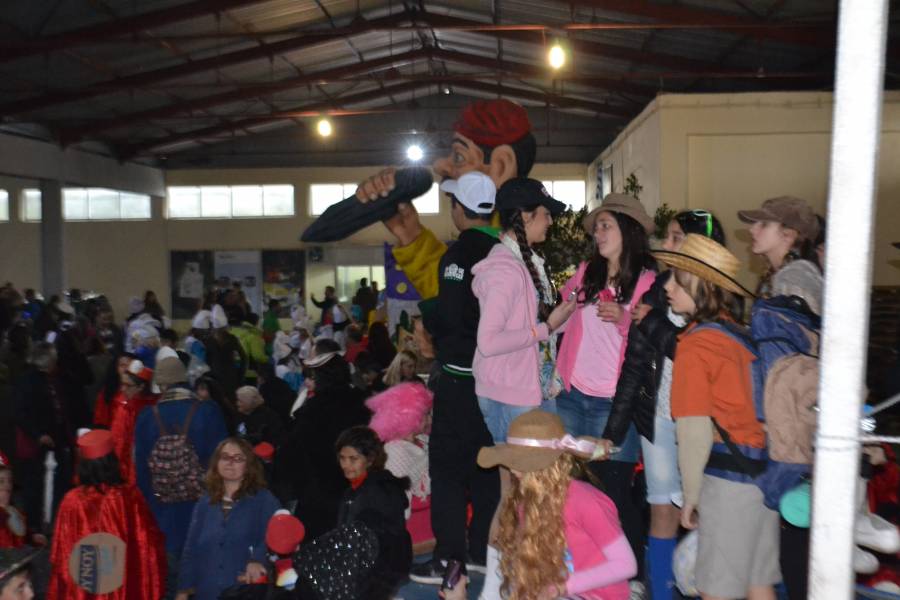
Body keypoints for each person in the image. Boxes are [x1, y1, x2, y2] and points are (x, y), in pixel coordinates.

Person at [601, 209, 727, 600]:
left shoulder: (718, 299)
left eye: (676, 237)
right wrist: (612, 435)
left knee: (708, 511)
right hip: (657, 417)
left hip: (704, 423)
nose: (666, 245)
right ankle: (662, 592)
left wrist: (654, 323)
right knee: (661, 508)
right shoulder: (657, 293)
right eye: (668, 236)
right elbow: (634, 368)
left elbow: (695, 354)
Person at [655, 234, 780, 599]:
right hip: (763, 476)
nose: (667, 286)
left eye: (677, 279)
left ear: (701, 286)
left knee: (717, 589)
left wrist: (691, 495)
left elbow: (693, 430)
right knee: (759, 585)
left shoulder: (696, 345)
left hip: (728, 485)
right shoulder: (738, 334)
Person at [408, 170, 504, 584]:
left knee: (447, 471)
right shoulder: (506, 251)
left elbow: (449, 316)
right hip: (497, 381)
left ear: (460, 209)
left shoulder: (459, 255)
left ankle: (449, 558)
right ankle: (482, 550)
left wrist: (429, 317)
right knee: (487, 465)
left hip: (460, 377)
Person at [476, 411, 637, 600]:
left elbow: (626, 564)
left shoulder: (586, 501)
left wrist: (562, 587)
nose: (511, 469)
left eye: (518, 461)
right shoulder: (527, 500)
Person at [472, 178, 574, 439]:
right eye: (546, 214)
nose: (550, 221)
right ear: (526, 216)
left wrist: (564, 318)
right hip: (511, 395)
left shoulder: (526, 263)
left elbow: (528, 324)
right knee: (521, 466)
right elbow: (489, 342)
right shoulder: (505, 270)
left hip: (529, 389)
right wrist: (547, 327)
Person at [134, 347, 228, 591]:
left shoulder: (146, 417)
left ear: (161, 385)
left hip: (163, 512)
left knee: (173, 579)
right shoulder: (207, 411)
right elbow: (224, 463)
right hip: (204, 508)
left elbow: (141, 473)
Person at [48, 430, 166, 599]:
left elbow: (62, 553)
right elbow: (147, 544)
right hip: (123, 582)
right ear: (112, 461)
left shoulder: (71, 501)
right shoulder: (128, 497)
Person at [273, 339, 371, 539]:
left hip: (319, 495)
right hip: (358, 491)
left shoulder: (312, 409)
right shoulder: (362, 402)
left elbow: (291, 455)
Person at [176, 437, 281, 600]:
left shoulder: (265, 500)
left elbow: (276, 540)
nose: (230, 463)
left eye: (238, 458)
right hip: (207, 592)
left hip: (245, 591)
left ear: (248, 466)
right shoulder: (205, 502)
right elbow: (190, 549)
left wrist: (257, 560)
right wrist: (183, 590)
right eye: (224, 457)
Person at [335, 426, 412, 600]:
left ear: (370, 460)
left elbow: (388, 542)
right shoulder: (353, 490)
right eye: (342, 458)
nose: (346, 465)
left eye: (353, 459)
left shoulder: (380, 491)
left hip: (383, 571)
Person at [366, 383, 434, 547]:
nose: (429, 418)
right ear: (410, 416)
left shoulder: (424, 441)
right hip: (412, 534)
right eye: (425, 413)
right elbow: (396, 501)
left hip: (431, 528)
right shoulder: (396, 451)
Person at [738, 196, 822, 303]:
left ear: (789, 235)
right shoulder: (777, 275)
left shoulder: (796, 277)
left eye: (764, 224)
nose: (752, 230)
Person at [92, 359, 158, 484]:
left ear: (141, 387)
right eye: (122, 384)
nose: (122, 389)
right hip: (123, 469)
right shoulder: (123, 405)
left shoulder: (147, 411)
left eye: (128, 385)